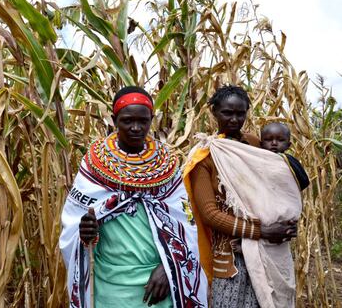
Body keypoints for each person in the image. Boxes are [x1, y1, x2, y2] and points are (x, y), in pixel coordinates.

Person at [59, 86, 208, 308]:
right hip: (110, 285)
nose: (136, 128)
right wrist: (86, 232)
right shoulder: (94, 165)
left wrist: (169, 267)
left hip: (159, 284)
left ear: (152, 120)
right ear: (114, 119)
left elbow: (185, 223)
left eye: (143, 121)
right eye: (127, 121)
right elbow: (74, 222)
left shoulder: (166, 165)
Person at [183, 85, 301, 308]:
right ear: (214, 112)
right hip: (230, 256)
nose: (234, 119)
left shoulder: (258, 145)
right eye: (227, 113)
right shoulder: (206, 156)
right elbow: (210, 214)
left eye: (240, 113)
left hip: (269, 248)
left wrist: (288, 223)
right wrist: (261, 231)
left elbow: (281, 186)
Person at [260, 122, 309, 191]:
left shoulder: (290, 162)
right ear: (261, 144)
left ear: (288, 145)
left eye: (280, 140)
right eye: (268, 139)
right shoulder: (257, 159)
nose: (274, 143)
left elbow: (304, 181)